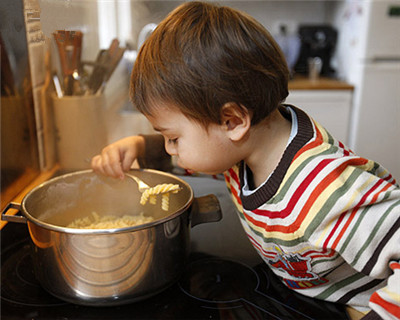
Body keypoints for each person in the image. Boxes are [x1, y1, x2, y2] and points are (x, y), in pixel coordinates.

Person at [91, 2, 400, 319]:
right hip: (310, 294)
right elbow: (203, 156)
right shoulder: (248, 147)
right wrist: (143, 148)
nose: (171, 149)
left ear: (233, 121)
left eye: (173, 138)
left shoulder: (322, 190)